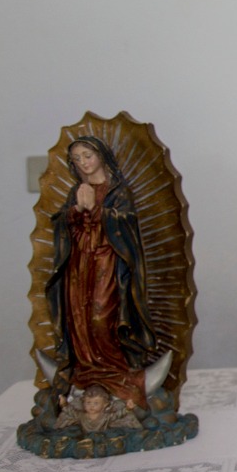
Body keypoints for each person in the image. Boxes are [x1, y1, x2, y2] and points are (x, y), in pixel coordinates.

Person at [46, 136, 160, 409]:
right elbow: (60, 224)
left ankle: (114, 370)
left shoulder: (118, 190)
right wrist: (74, 211)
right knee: (79, 319)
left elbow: (127, 223)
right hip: (78, 265)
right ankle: (86, 373)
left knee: (101, 317)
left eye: (87, 155)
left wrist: (96, 210)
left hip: (108, 264)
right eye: (77, 159)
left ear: (101, 156)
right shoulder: (76, 190)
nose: (83, 163)